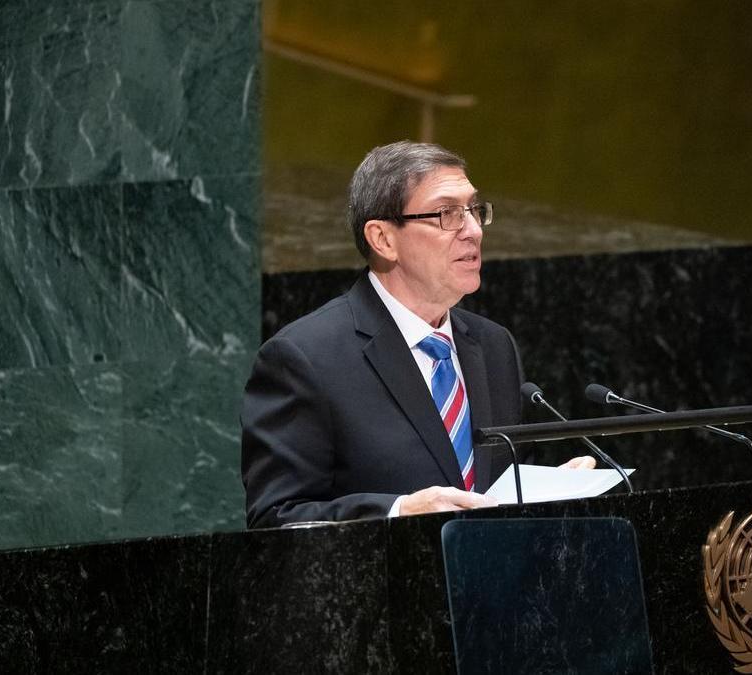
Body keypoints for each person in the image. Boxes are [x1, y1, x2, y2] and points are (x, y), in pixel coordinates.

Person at [240, 141, 592, 528]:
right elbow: (276, 519)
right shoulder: (304, 357)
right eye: (447, 214)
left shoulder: (493, 345)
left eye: (475, 210)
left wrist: (547, 492)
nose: (473, 230)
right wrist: (399, 512)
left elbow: (490, 488)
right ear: (383, 239)